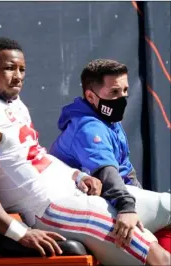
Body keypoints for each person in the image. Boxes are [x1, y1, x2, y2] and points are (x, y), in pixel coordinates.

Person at [0, 37, 170, 265]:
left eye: (22, 69)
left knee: (168, 207)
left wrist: (77, 175)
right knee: (157, 257)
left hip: (74, 192)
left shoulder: (11, 103)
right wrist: (20, 233)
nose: (18, 76)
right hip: (50, 208)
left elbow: (38, 157)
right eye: (9, 68)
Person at [49, 58, 171, 253]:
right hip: (82, 202)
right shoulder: (89, 127)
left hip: (109, 197)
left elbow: (126, 171)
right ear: (91, 97)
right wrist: (127, 207)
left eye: (124, 91)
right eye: (114, 92)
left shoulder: (109, 120)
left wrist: (140, 199)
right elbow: (106, 174)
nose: (122, 98)